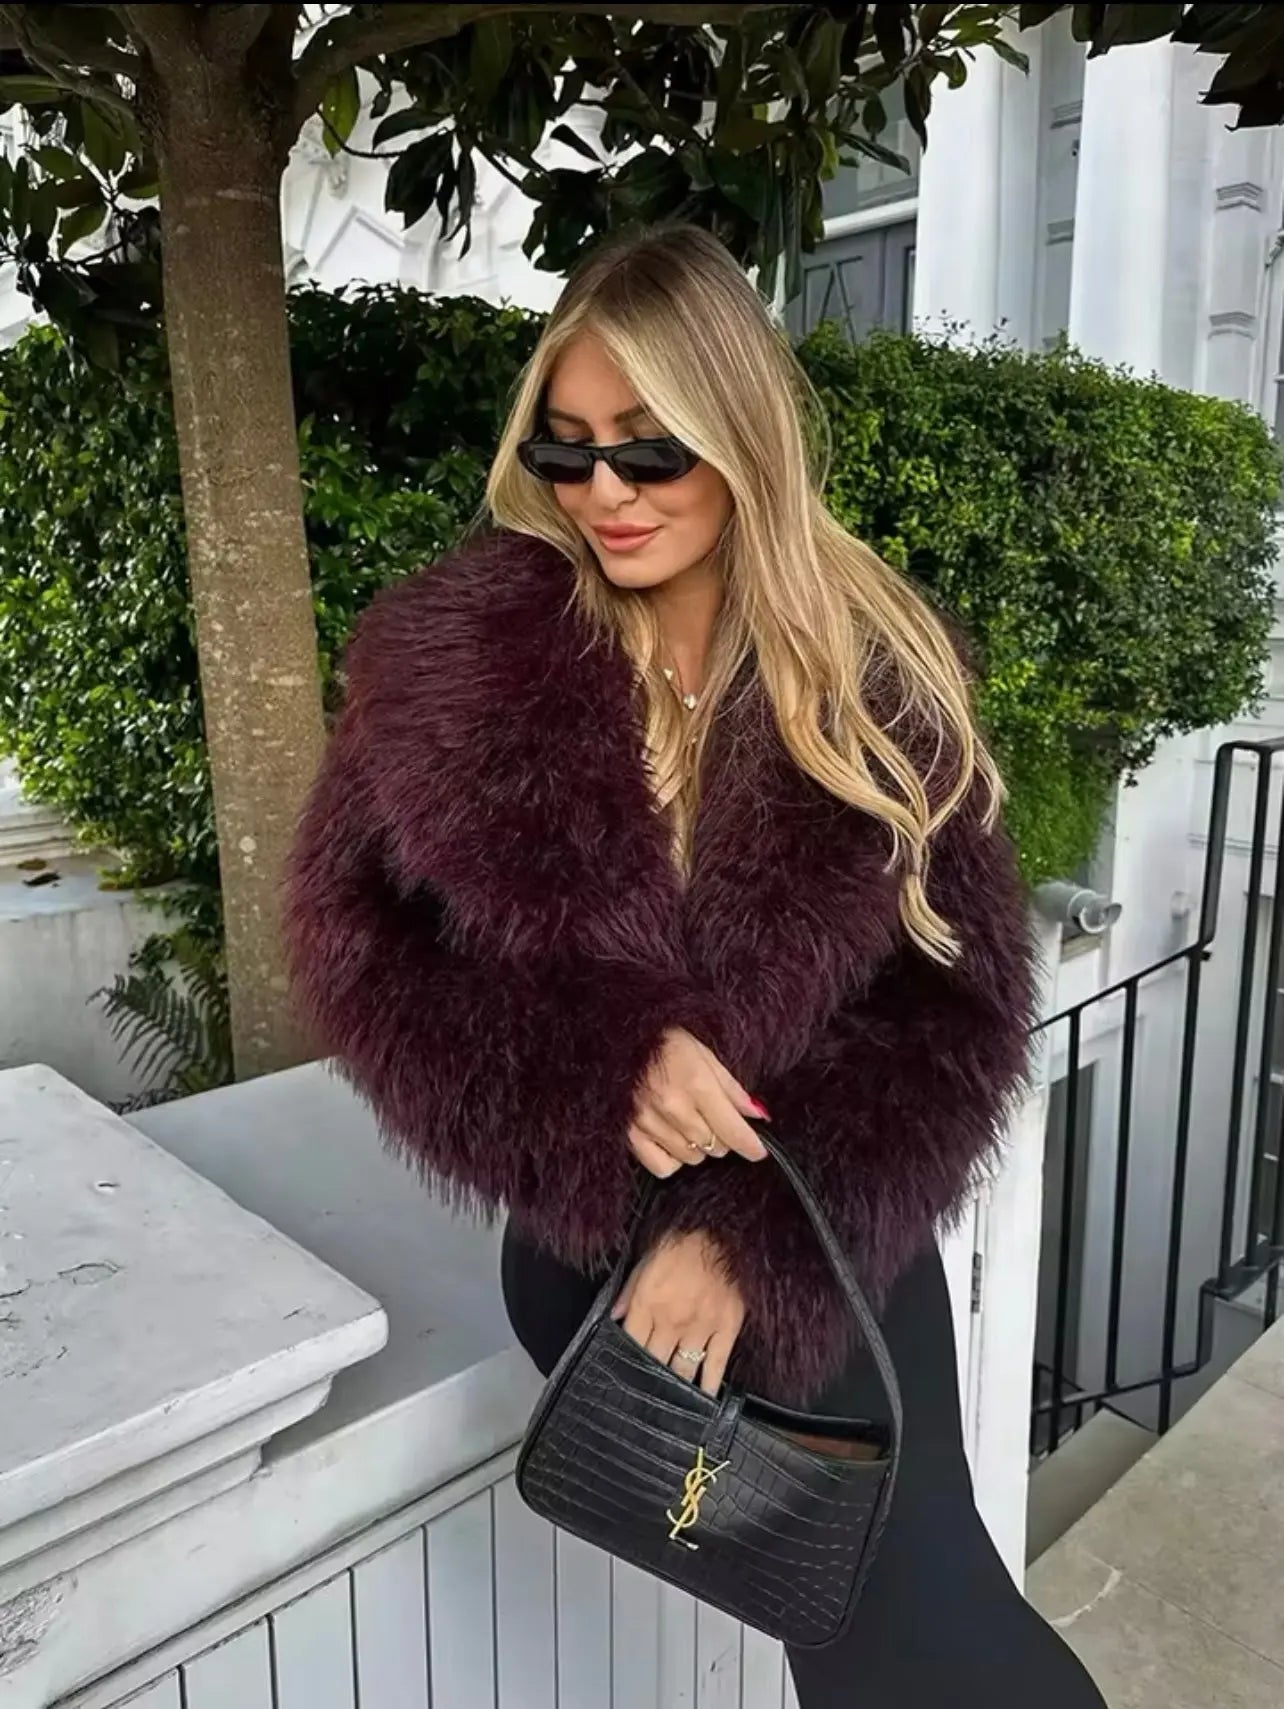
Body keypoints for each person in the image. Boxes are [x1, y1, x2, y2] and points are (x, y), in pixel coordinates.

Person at [283, 223, 1107, 1707]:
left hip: (817, 1221)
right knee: (894, 1636)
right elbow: (360, 956)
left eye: (650, 448)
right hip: (600, 1253)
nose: (605, 491)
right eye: (569, 447)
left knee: (907, 1624)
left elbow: (955, 1009)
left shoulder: (872, 675)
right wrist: (604, 1055)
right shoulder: (457, 665)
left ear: (739, 434)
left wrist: (747, 1233)